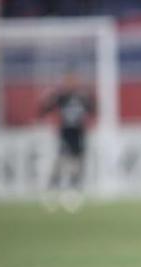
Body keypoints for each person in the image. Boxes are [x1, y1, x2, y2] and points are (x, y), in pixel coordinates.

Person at [39, 70, 94, 212]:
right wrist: (47, 99)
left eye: (73, 80)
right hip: (65, 134)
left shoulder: (82, 97)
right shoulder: (61, 97)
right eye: (68, 80)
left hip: (78, 135)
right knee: (61, 162)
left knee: (78, 164)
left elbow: (93, 109)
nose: (70, 83)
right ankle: (52, 191)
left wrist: (90, 98)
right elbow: (44, 110)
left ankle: (73, 192)